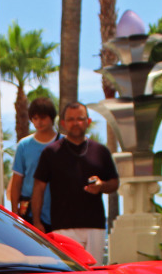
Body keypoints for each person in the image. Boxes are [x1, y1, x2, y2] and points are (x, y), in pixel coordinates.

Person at [29, 102, 119, 264]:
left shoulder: (100, 151)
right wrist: (37, 221)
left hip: (95, 226)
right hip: (63, 227)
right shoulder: (51, 152)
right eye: (70, 119)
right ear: (63, 123)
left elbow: (114, 183)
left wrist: (101, 186)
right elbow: (39, 187)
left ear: (88, 122)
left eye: (80, 119)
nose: (75, 123)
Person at [7, 96, 58, 228]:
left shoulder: (63, 143)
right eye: (34, 118)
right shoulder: (24, 145)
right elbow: (17, 181)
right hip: (29, 210)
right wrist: (14, 213)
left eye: (42, 118)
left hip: (57, 211)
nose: (38, 122)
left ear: (51, 117)